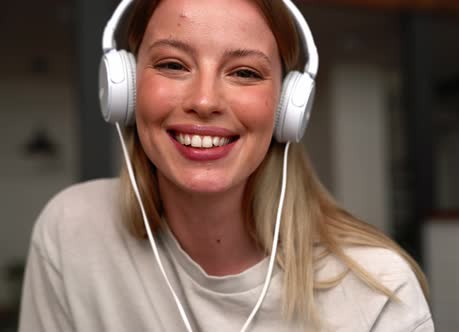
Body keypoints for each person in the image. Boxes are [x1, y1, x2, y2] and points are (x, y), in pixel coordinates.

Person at [18, 0, 434, 331]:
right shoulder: (71, 230)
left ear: (289, 108)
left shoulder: (377, 291)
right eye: (173, 65)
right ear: (124, 87)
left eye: (245, 72)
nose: (204, 101)